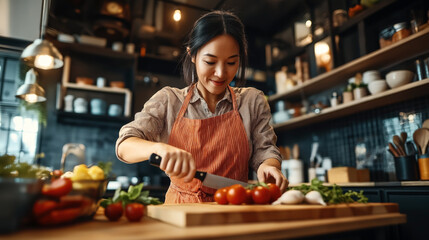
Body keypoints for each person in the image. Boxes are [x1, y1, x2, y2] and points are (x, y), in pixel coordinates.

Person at [116, 10, 288, 203]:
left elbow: (265, 150)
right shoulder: (169, 100)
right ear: (192, 55)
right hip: (181, 211)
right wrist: (159, 149)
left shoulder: (252, 101)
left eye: (232, 62)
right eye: (210, 61)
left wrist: (269, 166)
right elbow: (124, 145)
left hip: (235, 206)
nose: (221, 73)